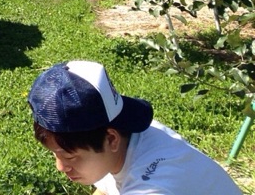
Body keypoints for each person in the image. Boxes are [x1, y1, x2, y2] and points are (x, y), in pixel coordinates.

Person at [27, 59, 242, 194]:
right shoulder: (131, 136)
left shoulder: (154, 187)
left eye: (70, 156)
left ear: (111, 139)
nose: (60, 167)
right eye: (55, 154)